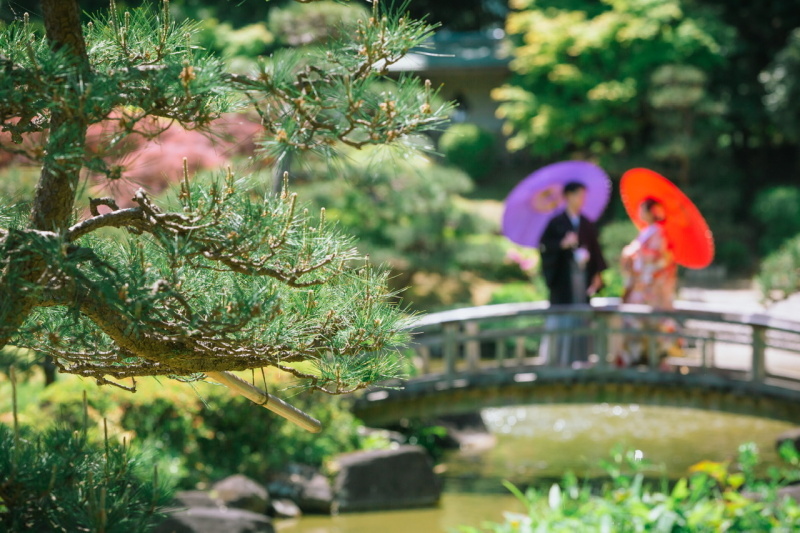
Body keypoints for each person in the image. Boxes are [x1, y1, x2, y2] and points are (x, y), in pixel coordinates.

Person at [538, 181, 607, 366]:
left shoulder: (586, 224)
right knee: (563, 317)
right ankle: (558, 359)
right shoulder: (556, 223)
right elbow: (545, 247)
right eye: (578, 195)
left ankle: (581, 357)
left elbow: (596, 251)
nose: (581, 200)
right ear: (568, 196)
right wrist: (562, 244)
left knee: (582, 318)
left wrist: (597, 274)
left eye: (583, 196)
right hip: (563, 281)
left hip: (582, 279)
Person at [617, 197, 680, 366]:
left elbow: (658, 259)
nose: (639, 212)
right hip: (642, 285)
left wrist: (635, 257)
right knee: (637, 321)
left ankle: (652, 358)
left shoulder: (658, 232)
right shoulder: (647, 231)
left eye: (642, 208)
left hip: (649, 287)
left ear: (651, 212)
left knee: (649, 322)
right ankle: (638, 357)